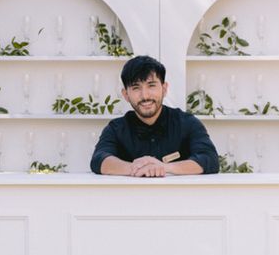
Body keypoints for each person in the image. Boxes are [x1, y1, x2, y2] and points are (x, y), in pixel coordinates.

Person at [90, 55, 219, 177]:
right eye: (136, 88)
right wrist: (135, 168)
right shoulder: (116, 128)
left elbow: (209, 159)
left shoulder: (187, 123)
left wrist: (164, 167)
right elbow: (99, 160)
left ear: (164, 88)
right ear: (125, 94)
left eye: (151, 85)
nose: (145, 96)